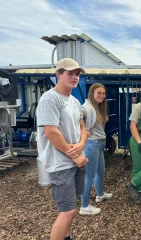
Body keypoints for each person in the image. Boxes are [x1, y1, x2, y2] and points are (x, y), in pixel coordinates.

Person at [37, 58, 88, 240]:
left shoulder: (74, 101)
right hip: (61, 163)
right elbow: (51, 132)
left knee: (71, 208)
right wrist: (74, 156)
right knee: (67, 211)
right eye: (70, 73)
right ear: (58, 74)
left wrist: (82, 144)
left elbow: (82, 126)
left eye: (77, 74)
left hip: (75, 160)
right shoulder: (49, 99)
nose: (75, 77)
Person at [80, 83, 113, 215]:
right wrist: (84, 131)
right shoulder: (86, 107)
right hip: (92, 144)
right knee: (89, 175)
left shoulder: (97, 107)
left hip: (99, 144)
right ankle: (84, 206)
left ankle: (100, 195)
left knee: (101, 171)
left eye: (104, 94)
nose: (102, 96)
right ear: (92, 94)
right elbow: (77, 117)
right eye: (99, 93)